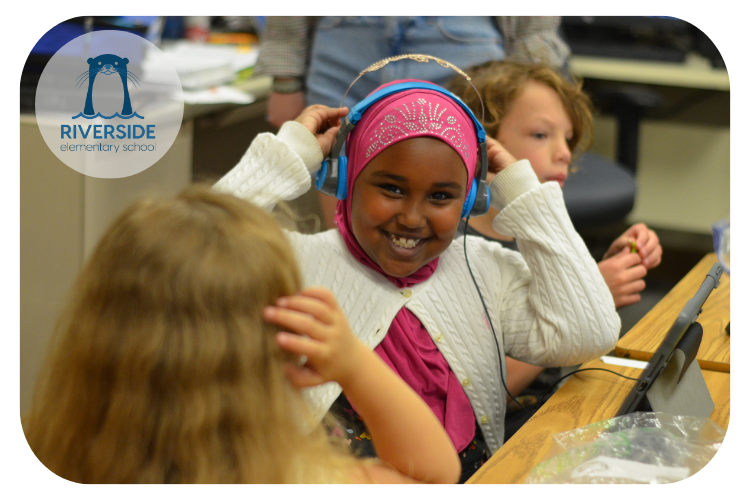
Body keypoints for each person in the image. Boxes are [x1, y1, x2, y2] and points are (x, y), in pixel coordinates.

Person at [213, 78, 621, 481]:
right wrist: (287, 156)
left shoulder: (484, 270)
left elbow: (589, 332)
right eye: (391, 188)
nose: (411, 217)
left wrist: (524, 195)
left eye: (441, 196)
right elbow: (189, 255)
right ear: (345, 179)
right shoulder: (295, 263)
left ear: (471, 199)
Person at [21, 186, 460, 484]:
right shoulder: (304, 479)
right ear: (280, 340)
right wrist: (356, 365)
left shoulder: (40, 455)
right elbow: (435, 474)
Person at [448, 61, 663, 437]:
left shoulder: (539, 231)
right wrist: (594, 294)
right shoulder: (457, 254)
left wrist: (598, 273)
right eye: (541, 135)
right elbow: (476, 397)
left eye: (568, 138)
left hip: (563, 401)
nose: (564, 152)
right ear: (482, 145)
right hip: (506, 433)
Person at [256, 16, 571, 229]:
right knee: (344, 228)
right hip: (343, 38)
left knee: (445, 222)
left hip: (461, 40)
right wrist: (285, 75)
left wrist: (537, 72)